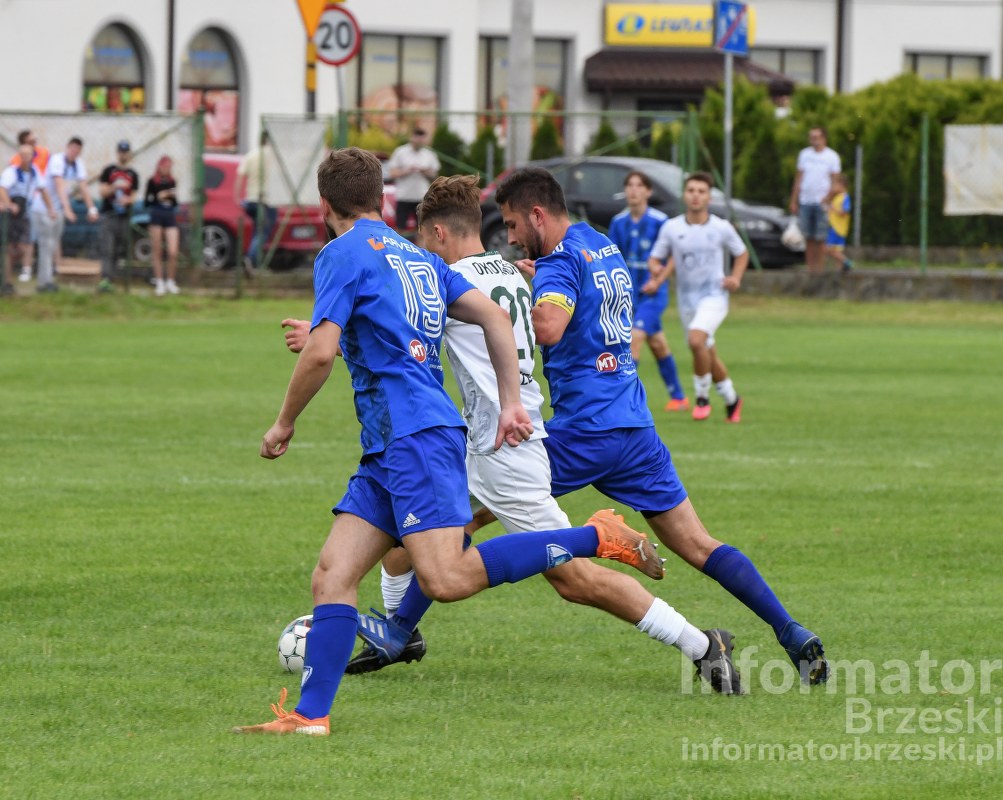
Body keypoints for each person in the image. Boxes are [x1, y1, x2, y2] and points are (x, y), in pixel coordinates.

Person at [234, 148, 662, 736]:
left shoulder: (341, 253)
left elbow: (321, 353)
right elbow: (492, 318)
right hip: (391, 444)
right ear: (382, 198)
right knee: (332, 574)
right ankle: (310, 717)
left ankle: (596, 536)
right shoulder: (413, 254)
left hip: (416, 438)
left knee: (446, 578)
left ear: (324, 204)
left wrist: (284, 423)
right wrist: (511, 400)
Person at [284, 175, 742, 694]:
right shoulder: (512, 272)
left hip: (504, 446)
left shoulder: (450, 277)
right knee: (406, 538)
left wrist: (326, 338)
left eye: (424, 240)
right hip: (481, 438)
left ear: (439, 233)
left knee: (573, 580)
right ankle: (399, 631)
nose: (421, 251)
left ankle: (699, 642)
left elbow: (400, 338)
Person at [499, 167, 828, 684]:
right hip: (635, 427)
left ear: (537, 215)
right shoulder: (602, 245)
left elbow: (549, 327)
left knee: (473, 505)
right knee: (699, 544)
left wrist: (516, 293)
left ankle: (402, 627)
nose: (512, 236)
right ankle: (790, 630)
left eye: (513, 224)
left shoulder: (559, 260)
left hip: (586, 430)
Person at [644, 172, 747, 423]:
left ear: (709, 197)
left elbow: (741, 253)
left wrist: (735, 277)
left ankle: (702, 397)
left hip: (714, 295)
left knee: (696, 339)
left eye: (701, 191)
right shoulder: (672, 227)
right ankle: (732, 399)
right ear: (684, 195)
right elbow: (656, 258)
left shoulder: (721, 227)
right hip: (686, 298)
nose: (695, 196)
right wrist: (655, 269)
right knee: (705, 349)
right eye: (691, 190)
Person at [607, 170, 687, 412]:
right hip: (627, 296)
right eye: (629, 185)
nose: (634, 190)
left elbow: (673, 255)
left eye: (639, 185)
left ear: (648, 192)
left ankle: (622, 401)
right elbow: (611, 259)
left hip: (653, 294)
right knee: (658, 343)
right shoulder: (618, 222)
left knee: (634, 339)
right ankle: (679, 397)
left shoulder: (660, 221)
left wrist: (658, 280)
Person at [0, 142, 52, 296]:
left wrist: (50, 209)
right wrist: (9, 204)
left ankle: (2, 274)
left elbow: (43, 190)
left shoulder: (35, 172)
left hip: (25, 213)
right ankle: (5, 281)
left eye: (28, 155)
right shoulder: (12, 172)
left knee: (22, 247)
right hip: (13, 214)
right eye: (23, 155)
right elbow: (1, 188)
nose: (25, 158)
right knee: (10, 247)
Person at [44, 136, 98, 292]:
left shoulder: (77, 164)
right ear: (67, 147)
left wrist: (92, 209)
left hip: (58, 207)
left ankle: (54, 271)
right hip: (45, 205)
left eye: (77, 150)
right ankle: (45, 277)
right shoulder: (57, 160)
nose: (74, 152)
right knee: (47, 241)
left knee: (55, 239)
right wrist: (67, 209)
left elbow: (83, 187)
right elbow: (59, 185)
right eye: (72, 148)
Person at [790, 127, 841, 273]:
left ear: (824, 138)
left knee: (821, 237)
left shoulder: (832, 156)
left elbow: (835, 181)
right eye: (811, 137)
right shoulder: (804, 155)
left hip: (822, 203)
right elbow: (799, 178)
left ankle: (819, 269)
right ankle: (810, 268)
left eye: (816, 137)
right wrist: (794, 200)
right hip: (806, 201)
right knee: (808, 237)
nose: (813, 140)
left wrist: (828, 198)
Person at [97, 140, 139, 293]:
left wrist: (127, 200)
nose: (123, 155)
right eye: (121, 152)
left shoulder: (133, 174)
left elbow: (134, 196)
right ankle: (105, 279)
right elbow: (102, 192)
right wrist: (115, 187)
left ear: (129, 154)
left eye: (126, 152)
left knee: (119, 249)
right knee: (107, 248)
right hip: (109, 214)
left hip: (124, 216)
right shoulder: (109, 171)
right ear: (117, 153)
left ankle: (112, 278)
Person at [236, 132, 276, 274]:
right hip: (266, 201)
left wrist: (237, 198)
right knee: (263, 232)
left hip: (251, 200)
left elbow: (239, 177)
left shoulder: (251, 155)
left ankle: (254, 264)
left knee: (256, 231)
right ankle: (250, 259)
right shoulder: (274, 156)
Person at [386, 127, 439, 236]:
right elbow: (392, 173)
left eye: (422, 139)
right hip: (403, 196)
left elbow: (435, 175)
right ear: (412, 137)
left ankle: (420, 247)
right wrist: (406, 171)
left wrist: (425, 171)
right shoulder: (400, 152)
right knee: (400, 228)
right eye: (417, 138)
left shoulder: (429, 154)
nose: (419, 141)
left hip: (421, 197)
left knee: (422, 229)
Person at [145, 155, 179, 296]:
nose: (167, 169)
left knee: (172, 251)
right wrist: (158, 196)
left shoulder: (172, 181)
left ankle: (170, 281)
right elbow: (147, 202)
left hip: (169, 215)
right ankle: (159, 282)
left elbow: (174, 203)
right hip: (157, 215)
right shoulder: (152, 181)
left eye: (169, 167)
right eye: (165, 166)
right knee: (157, 250)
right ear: (159, 166)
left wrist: (171, 197)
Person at [825, 173, 854, 273]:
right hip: (834, 227)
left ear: (842, 185)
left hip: (837, 229)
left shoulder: (845, 197)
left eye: (835, 185)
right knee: (837, 250)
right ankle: (838, 270)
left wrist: (833, 208)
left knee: (827, 249)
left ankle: (847, 261)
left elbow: (844, 212)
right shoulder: (837, 197)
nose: (833, 187)